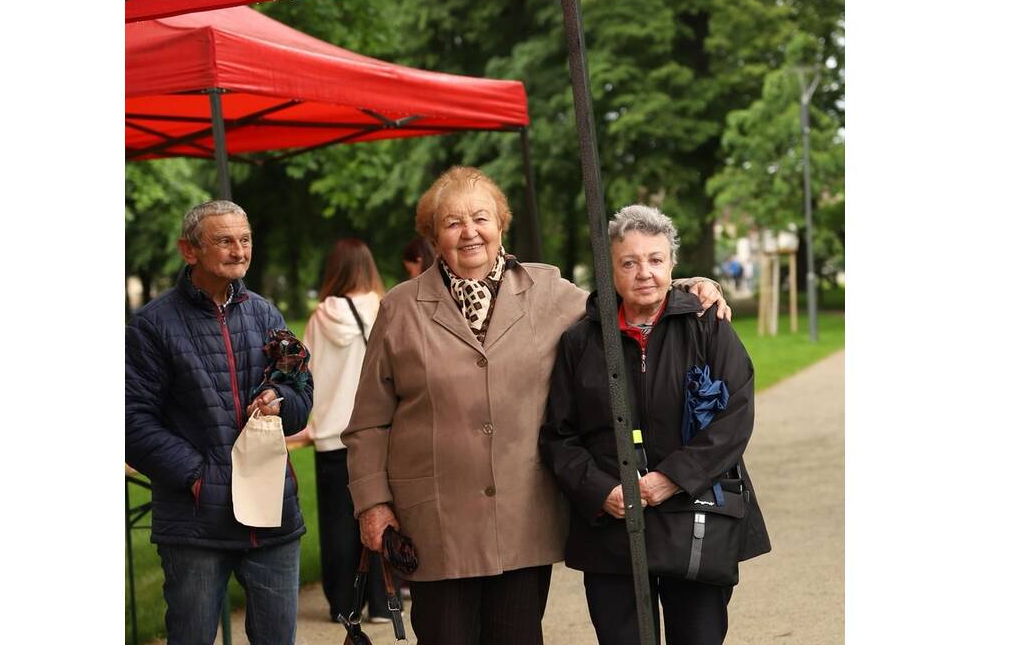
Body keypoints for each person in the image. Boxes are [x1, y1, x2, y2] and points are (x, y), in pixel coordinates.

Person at [342, 167, 731, 645]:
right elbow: (368, 422)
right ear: (433, 236)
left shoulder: (548, 292)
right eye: (452, 223)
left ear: (501, 224)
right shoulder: (400, 308)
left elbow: (629, 296)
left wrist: (692, 283)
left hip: (521, 514)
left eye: (480, 217)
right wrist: (372, 505)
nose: (469, 232)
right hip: (436, 519)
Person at [539, 204, 771, 645]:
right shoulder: (580, 341)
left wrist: (672, 478)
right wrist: (599, 490)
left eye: (655, 259)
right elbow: (558, 436)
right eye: (629, 262)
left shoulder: (707, 325)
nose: (644, 272)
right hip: (611, 528)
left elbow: (734, 416)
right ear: (610, 270)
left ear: (672, 265)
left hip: (697, 517)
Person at [125, 200, 313, 645]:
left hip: (272, 516)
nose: (238, 250)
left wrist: (278, 399)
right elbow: (130, 420)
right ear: (189, 251)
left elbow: (301, 391)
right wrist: (197, 477)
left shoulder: (267, 314)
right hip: (196, 523)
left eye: (244, 239)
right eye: (224, 240)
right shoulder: (151, 326)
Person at [284, 238, 395, 624]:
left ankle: (343, 605)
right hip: (378, 434)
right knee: (382, 511)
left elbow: (307, 380)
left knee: (336, 524)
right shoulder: (385, 308)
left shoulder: (319, 318)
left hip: (332, 437)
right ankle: (383, 602)